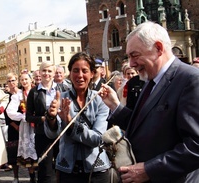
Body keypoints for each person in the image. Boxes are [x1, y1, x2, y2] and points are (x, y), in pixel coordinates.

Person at [100, 21, 199, 182]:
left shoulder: (191, 80)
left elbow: (196, 146)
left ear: (158, 49)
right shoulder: (150, 82)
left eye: (135, 55)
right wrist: (115, 106)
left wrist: (149, 170)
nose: (131, 64)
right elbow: (144, 124)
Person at [44, 52, 110, 183]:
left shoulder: (100, 100)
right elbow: (52, 135)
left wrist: (70, 122)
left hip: (96, 170)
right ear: (70, 73)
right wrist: (51, 118)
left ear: (92, 74)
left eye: (84, 71)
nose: (80, 75)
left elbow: (97, 139)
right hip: (67, 170)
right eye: (75, 70)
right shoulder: (60, 98)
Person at [26, 61, 58, 183]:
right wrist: (42, 119)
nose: (47, 73)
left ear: (54, 73)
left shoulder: (62, 88)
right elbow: (28, 116)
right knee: (45, 170)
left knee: (62, 167)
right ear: (39, 72)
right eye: (44, 70)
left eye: (50, 71)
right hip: (42, 134)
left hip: (61, 133)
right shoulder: (34, 92)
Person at [6, 70, 37, 183]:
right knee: (29, 151)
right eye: (22, 79)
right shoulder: (18, 96)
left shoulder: (37, 91)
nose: (24, 81)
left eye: (26, 79)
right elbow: (9, 111)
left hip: (38, 124)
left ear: (31, 80)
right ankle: (32, 176)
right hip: (26, 126)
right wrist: (23, 116)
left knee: (39, 148)